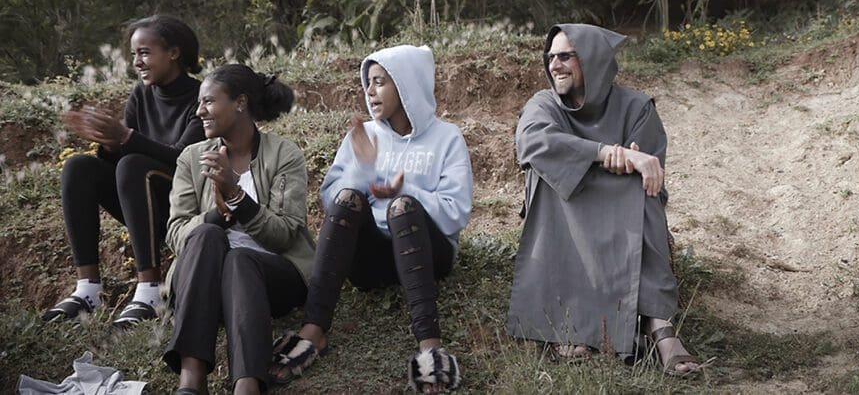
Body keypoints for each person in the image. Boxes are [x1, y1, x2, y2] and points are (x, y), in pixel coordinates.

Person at [270, 45, 472, 393]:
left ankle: (430, 346)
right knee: (348, 197)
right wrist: (365, 171)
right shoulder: (364, 136)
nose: (370, 90)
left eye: (380, 82)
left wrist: (401, 189)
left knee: (403, 206)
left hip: (427, 254)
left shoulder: (447, 137)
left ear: (406, 85)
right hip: (370, 265)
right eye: (368, 82)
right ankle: (313, 331)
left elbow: (456, 212)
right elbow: (333, 202)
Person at [507, 24, 702, 377]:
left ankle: (659, 324)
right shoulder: (543, 103)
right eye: (550, 57)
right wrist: (606, 153)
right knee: (551, 179)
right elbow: (533, 143)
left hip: (624, 210)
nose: (555, 65)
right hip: (564, 210)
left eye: (565, 56)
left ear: (593, 60)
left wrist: (597, 163)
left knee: (641, 192)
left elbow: (650, 170)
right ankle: (568, 320)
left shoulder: (637, 107)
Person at [44, 14, 206, 327]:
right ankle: (88, 290)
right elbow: (118, 158)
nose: (137, 62)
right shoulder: (141, 95)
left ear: (173, 53)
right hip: (141, 204)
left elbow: (183, 159)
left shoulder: (202, 97)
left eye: (145, 53)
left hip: (186, 207)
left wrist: (126, 139)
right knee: (79, 166)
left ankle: (150, 290)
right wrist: (108, 142)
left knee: (134, 164)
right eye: (134, 55)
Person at [162, 64, 314, 395]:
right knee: (206, 234)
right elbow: (176, 233)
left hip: (271, 278)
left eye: (209, 102)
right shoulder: (192, 158)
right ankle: (191, 380)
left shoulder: (283, 154)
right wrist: (215, 216)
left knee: (241, 260)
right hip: (202, 280)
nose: (199, 111)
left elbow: (285, 232)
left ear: (240, 103)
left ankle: (247, 386)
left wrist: (237, 196)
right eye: (199, 103)